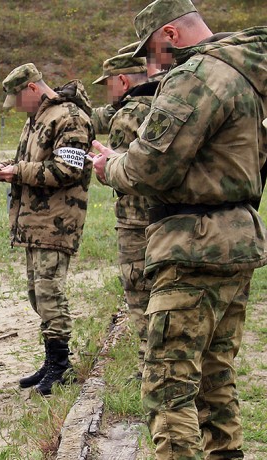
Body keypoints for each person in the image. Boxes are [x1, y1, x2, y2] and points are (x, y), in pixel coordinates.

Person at [90, 0, 267, 457]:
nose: (153, 63)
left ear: (170, 33)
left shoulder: (198, 76)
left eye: (152, 49)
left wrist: (110, 167)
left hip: (193, 244)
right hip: (239, 236)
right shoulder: (247, 71)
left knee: (167, 382)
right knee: (215, 374)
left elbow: (151, 170)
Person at [0, 63, 94, 396]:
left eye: (18, 99)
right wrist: (4, 165)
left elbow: (67, 169)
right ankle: (52, 362)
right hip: (35, 222)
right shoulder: (39, 118)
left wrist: (17, 171)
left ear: (34, 89)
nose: (17, 107)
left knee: (50, 293)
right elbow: (34, 158)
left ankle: (61, 366)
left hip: (57, 221)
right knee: (38, 294)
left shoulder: (70, 118)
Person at [92, 51, 157, 377]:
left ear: (122, 80)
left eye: (108, 85)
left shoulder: (128, 116)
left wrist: (103, 168)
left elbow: (116, 173)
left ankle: (149, 365)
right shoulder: (167, 102)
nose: (108, 92)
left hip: (135, 218)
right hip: (168, 215)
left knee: (139, 292)